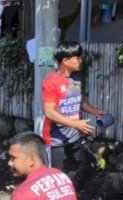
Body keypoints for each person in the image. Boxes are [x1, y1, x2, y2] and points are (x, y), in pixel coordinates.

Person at [41, 41, 106, 186]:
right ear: (65, 60)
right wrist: (75, 124)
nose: (80, 61)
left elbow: (79, 100)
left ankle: (68, 192)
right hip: (56, 139)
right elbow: (49, 113)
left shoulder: (76, 78)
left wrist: (95, 111)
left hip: (73, 136)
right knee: (56, 176)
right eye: (77, 58)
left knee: (85, 167)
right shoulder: (51, 82)